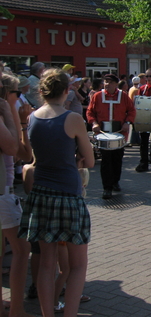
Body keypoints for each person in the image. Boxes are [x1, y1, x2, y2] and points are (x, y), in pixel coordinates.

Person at [18, 68, 94, 317]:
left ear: (42, 91)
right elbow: (90, 161)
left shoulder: (32, 118)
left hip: (40, 193)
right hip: (67, 195)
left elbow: (32, 155)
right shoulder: (72, 118)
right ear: (66, 90)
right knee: (77, 265)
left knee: (46, 265)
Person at [0, 73, 34, 317]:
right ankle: (17, 310)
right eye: (17, 94)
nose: (20, 99)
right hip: (2, 194)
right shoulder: (4, 111)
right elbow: (16, 151)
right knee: (22, 251)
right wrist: (17, 119)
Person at [86, 74, 136, 198]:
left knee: (117, 159)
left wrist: (127, 123)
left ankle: (115, 182)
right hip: (103, 134)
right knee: (106, 161)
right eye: (105, 81)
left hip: (119, 133)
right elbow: (90, 111)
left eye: (110, 82)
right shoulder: (97, 96)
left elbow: (132, 110)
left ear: (115, 84)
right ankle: (106, 188)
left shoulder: (123, 96)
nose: (107, 84)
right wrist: (94, 123)